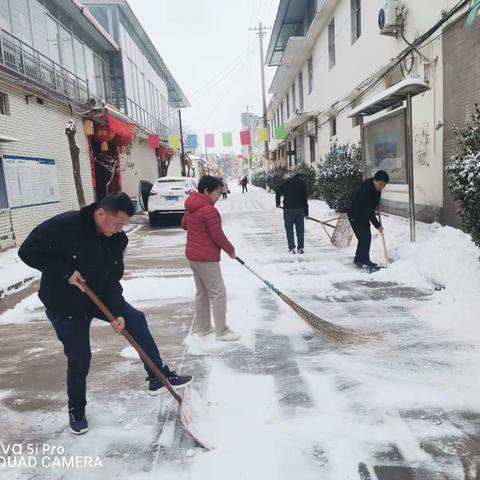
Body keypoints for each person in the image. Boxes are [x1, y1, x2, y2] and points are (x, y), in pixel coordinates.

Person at [18, 193, 192, 435]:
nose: (120, 230)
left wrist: (117, 312)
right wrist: (66, 272)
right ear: (101, 213)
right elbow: (27, 251)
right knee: (80, 360)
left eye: (124, 225)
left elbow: (111, 278)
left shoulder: (116, 239)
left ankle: (156, 376)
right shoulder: (65, 226)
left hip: (96, 298)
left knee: (135, 320)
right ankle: (76, 410)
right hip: (64, 304)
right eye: (118, 223)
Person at [182, 175, 240, 342]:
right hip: (206, 258)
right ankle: (221, 331)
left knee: (202, 293)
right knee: (218, 293)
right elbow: (218, 235)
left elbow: (184, 224)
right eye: (217, 192)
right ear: (206, 191)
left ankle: (203, 328)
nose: (218, 196)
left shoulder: (192, 205)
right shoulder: (209, 210)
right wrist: (231, 250)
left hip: (193, 257)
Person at [348, 170, 390, 271]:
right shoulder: (366, 190)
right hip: (355, 215)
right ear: (375, 180)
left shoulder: (377, 188)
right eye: (380, 184)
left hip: (364, 215)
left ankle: (364, 259)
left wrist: (377, 204)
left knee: (366, 237)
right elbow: (369, 211)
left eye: (383, 185)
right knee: (364, 237)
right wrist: (378, 225)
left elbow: (375, 200)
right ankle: (359, 260)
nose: (381, 187)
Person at [276, 173, 309, 254]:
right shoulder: (302, 184)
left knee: (289, 229)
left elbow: (278, 192)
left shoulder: (287, 182)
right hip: (299, 209)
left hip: (288, 209)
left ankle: (292, 248)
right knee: (300, 230)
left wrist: (278, 203)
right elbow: (305, 200)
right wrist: (306, 213)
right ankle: (300, 248)